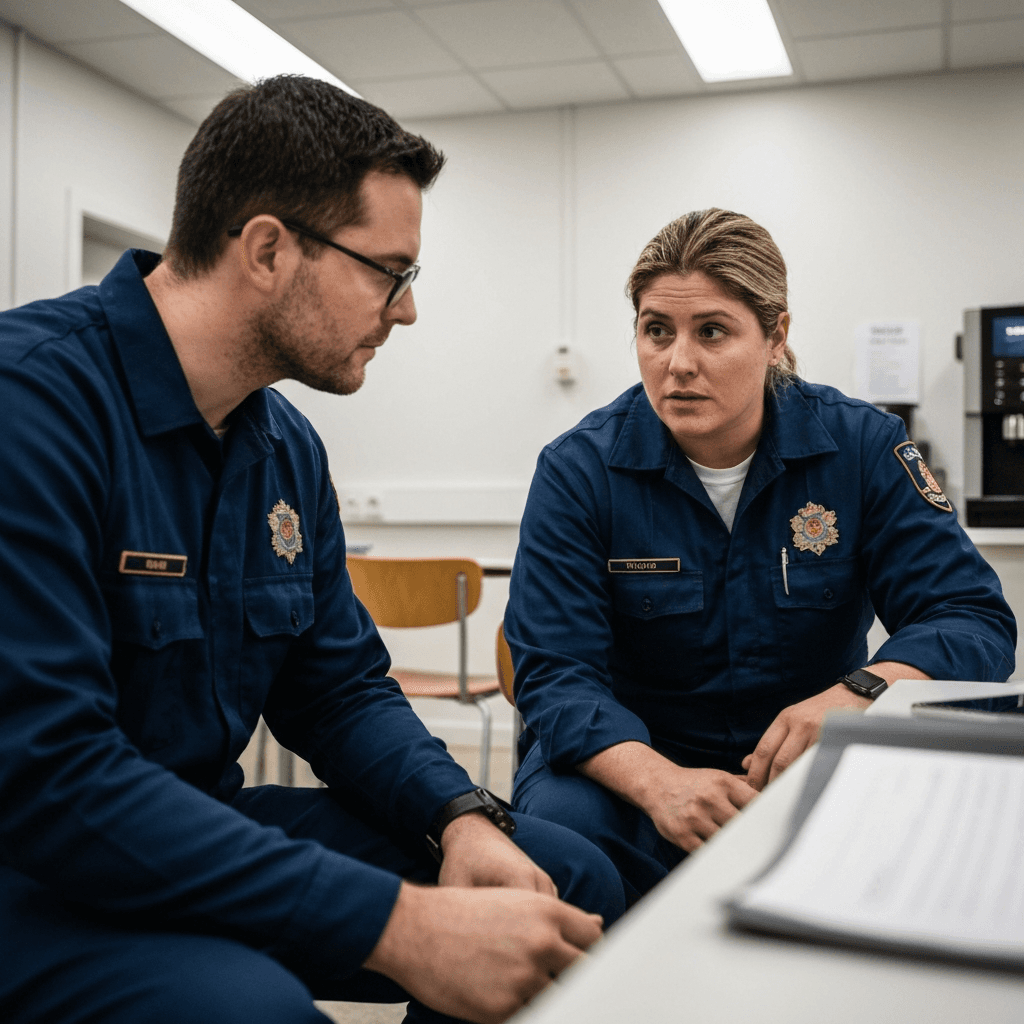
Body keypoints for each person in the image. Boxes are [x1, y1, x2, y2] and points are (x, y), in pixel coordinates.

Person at [0, 76, 625, 1024]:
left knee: (558, 876)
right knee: (251, 1008)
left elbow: (337, 689)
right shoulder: (31, 406)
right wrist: (396, 925)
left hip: (189, 830)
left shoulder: (283, 447)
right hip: (35, 858)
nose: (405, 311)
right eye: (392, 272)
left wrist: (459, 818)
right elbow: (51, 775)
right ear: (266, 249)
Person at [505, 208, 1016, 904]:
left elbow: (972, 618)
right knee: (557, 848)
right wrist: (661, 783)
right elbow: (557, 676)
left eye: (711, 331)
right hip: (627, 770)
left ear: (776, 335)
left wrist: (861, 690)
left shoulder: (862, 448)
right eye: (657, 331)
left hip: (804, 759)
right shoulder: (579, 471)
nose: (678, 362)